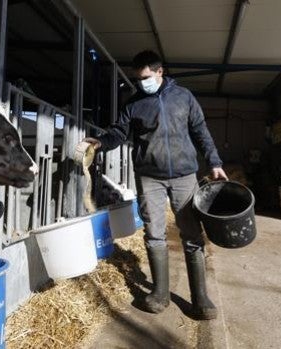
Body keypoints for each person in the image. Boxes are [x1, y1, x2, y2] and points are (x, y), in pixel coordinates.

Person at [82, 50, 228, 320]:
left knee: (192, 233)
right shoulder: (134, 103)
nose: (142, 83)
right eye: (139, 79)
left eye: (146, 77)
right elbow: (118, 132)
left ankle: (200, 298)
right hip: (149, 176)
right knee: (154, 232)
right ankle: (159, 294)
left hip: (185, 174)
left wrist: (214, 162)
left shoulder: (183, 97)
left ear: (160, 72)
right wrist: (101, 142)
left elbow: (200, 130)